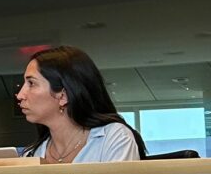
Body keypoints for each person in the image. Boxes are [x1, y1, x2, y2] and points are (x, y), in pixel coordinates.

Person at [16, 45, 145, 163]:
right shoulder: (31, 155)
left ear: (63, 96)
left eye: (31, 83)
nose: (20, 95)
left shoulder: (113, 138)